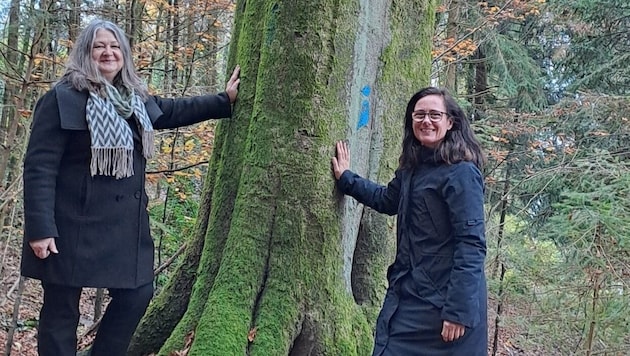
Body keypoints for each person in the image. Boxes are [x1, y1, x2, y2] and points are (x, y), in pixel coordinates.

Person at [21, 19, 240, 356]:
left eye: (114, 46)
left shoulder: (134, 100)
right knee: (61, 309)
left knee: (138, 293)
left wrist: (222, 100)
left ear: (124, 54)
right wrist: (40, 229)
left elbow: (169, 111)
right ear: (85, 54)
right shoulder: (61, 99)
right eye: (99, 46)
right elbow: (39, 167)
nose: (108, 52)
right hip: (70, 224)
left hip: (123, 228)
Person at [332, 87, 487, 355]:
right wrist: (347, 179)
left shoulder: (462, 174)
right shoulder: (413, 169)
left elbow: (471, 245)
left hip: (445, 305)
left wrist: (458, 311)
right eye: (420, 115)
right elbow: (386, 200)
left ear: (450, 122)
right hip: (410, 294)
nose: (426, 121)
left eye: (435, 115)